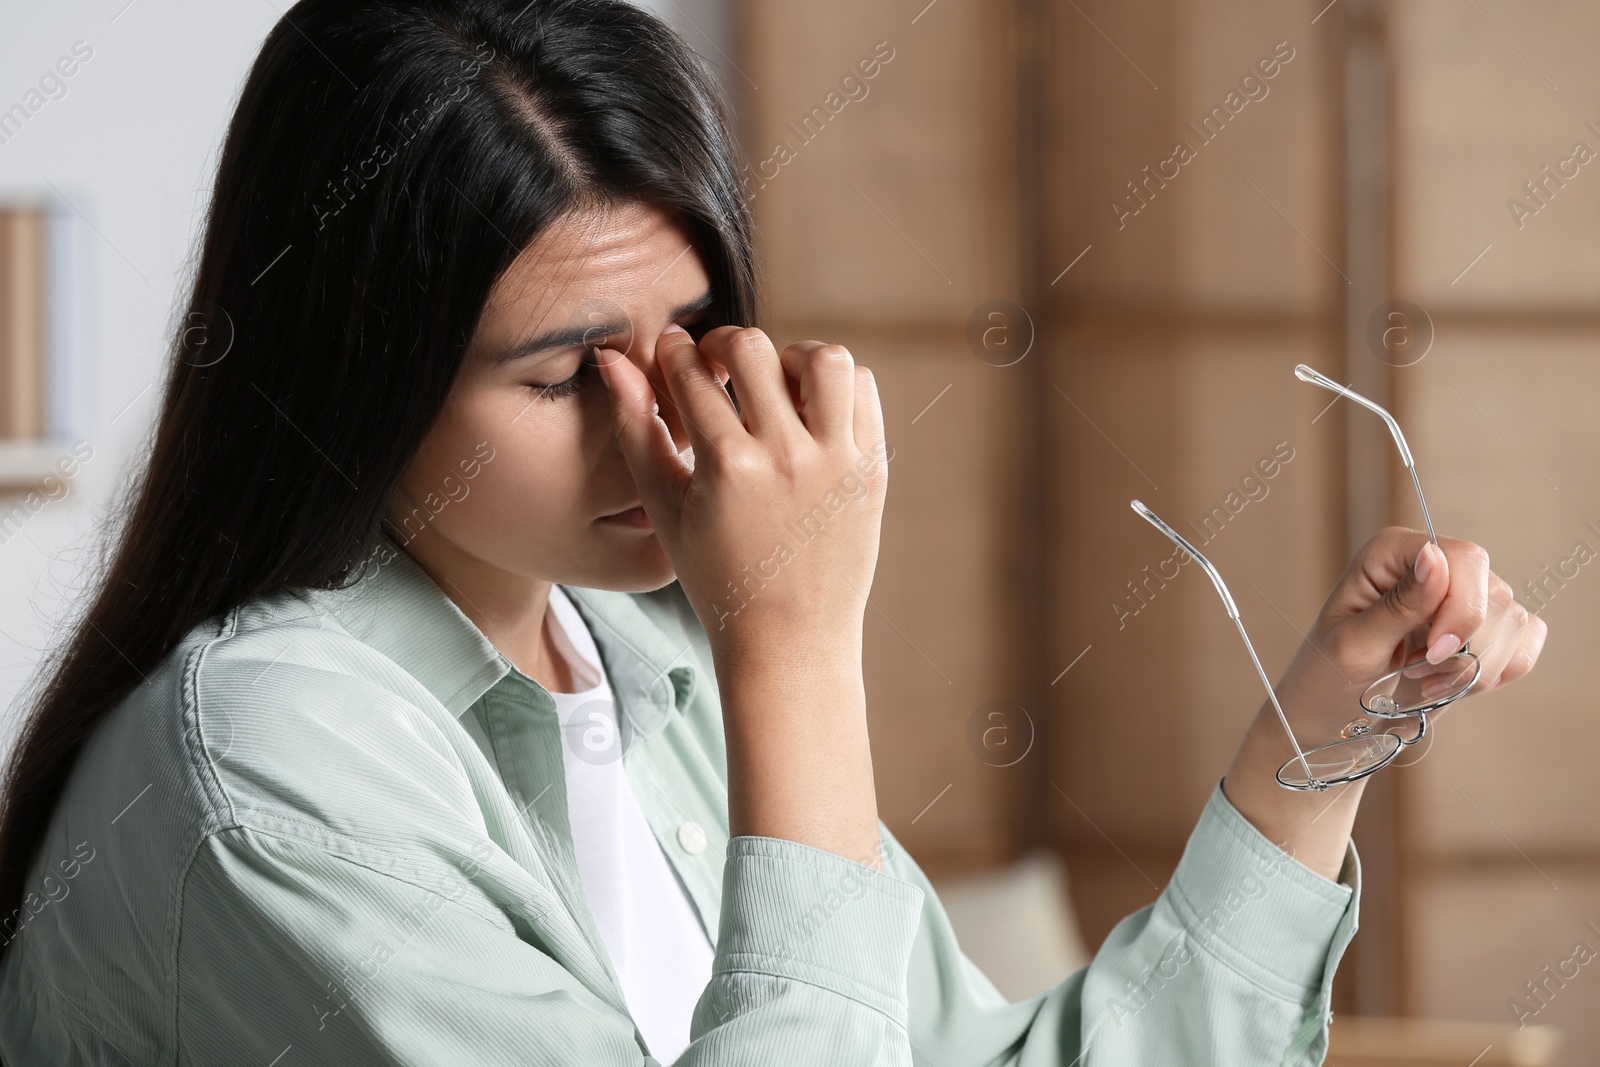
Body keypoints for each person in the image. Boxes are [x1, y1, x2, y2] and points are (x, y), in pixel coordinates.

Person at [0, 1, 1546, 1064]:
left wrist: (1321, 733)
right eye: (559, 377)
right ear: (354, 377)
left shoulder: (643, 671)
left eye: (691, 338)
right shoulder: (274, 746)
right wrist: (795, 645)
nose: (662, 427)